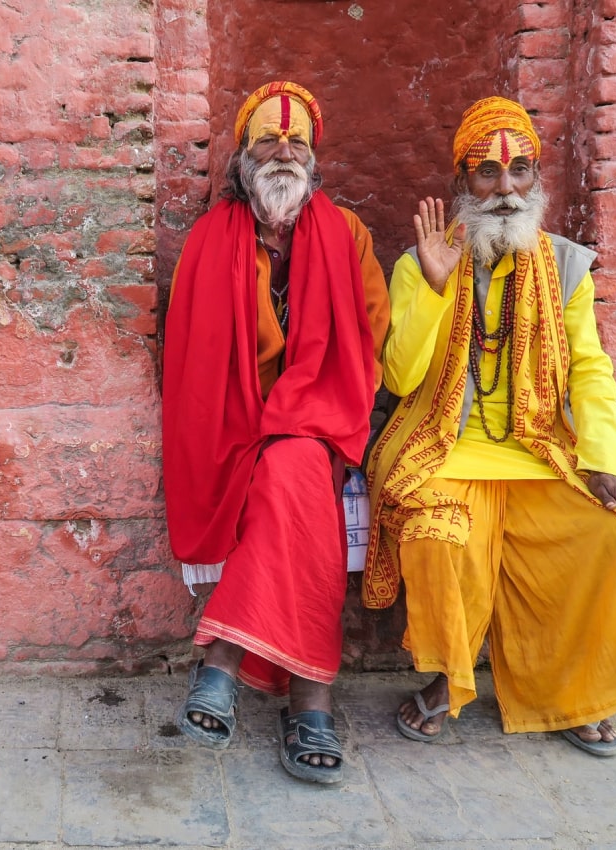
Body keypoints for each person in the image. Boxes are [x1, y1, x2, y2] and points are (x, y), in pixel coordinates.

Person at [363, 96, 616, 756]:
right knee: (438, 535)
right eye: (488, 172)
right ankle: (448, 678)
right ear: (462, 182)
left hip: (538, 449)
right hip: (441, 446)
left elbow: (590, 369)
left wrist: (603, 462)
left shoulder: (566, 267)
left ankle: (575, 690)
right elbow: (400, 378)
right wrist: (434, 286)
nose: (506, 188)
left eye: (520, 170)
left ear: (536, 179)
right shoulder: (422, 262)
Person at [162, 81, 389, 783]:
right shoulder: (210, 240)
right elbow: (190, 355)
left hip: (322, 418)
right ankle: (309, 700)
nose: (283, 152)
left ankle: (223, 659)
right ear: (244, 156)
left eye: (296, 142)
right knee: (290, 478)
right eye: (268, 140)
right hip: (233, 424)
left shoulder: (347, 235)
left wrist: (309, 410)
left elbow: (368, 344)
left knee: (295, 463)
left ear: (314, 159)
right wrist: (260, 418)